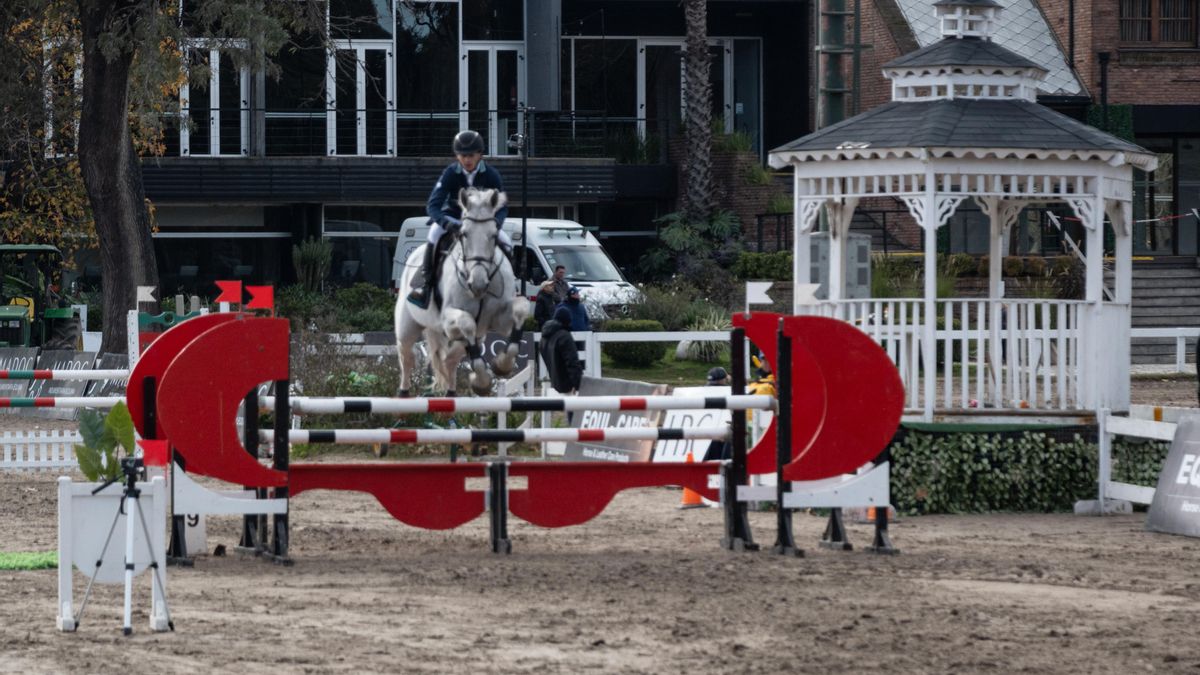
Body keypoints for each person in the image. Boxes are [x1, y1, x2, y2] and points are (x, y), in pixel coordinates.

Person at [407, 130, 512, 308]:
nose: (467, 160)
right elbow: (433, 206)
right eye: (462, 155)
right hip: (454, 219)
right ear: (457, 156)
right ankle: (426, 285)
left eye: (471, 155)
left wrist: (496, 223)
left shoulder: (491, 175)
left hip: (483, 223)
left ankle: (511, 285)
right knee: (433, 233)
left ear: (480, 154)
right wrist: (447, 223)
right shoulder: (450, 174)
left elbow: (502, 207)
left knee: (507, 241)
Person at [541, 306, 583, 394]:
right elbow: (572, 362)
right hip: (568, 387)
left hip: (555, 384)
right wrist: (578, 385)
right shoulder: (564, 336)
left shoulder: (544, 337)